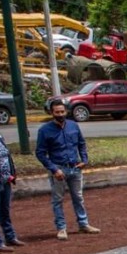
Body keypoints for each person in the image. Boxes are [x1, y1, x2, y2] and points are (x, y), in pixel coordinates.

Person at [35, 99, 100, 240]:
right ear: (52, 113)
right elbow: (40, 153)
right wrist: (53, 169)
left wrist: (84, 159)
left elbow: (81, 144)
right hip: (58, 169)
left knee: (78, 197)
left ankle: (83, 224)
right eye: (57, 112)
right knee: (58, 200)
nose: (60, 114)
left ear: (66, 111)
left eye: (62, 111)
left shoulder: (73, 126)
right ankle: (61, 228)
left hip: (75, 168)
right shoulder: (44, 130)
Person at [0, 110, 24, 252]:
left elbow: (6, 157)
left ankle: (10, 236)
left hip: (6, 180)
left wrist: (11, 173)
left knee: (5, 210)